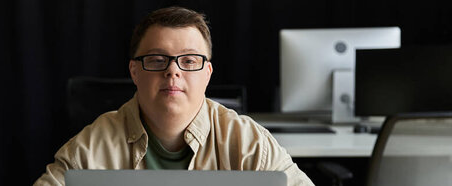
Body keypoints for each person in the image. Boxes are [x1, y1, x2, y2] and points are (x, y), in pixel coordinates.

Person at [34, 6, 314, 186]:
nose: (172, 72)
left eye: (189, 61)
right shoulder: (90, 147)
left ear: (207, 73)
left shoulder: (249, 144)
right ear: (134, 71)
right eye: (157, 59)